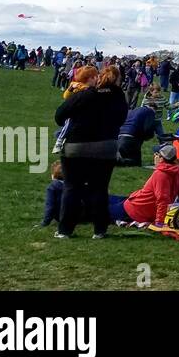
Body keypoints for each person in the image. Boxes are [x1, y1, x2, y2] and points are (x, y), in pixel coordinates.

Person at [54, 64, 128, 238]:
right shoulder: (118, 97)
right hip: (106, 147)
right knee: (100, 188)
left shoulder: (84, 95)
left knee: (72, 187)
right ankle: (100, 230)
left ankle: (65, 230)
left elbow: (59, 116)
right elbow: (122, 119)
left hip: (77, 146)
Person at [108, 144, 179, 226]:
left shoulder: (161, 174)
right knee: (103, 198)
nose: (154, 156)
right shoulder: (178, 171)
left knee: (98, 210)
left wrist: (159, 222)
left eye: (156, 154)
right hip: (137, 202)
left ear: (161, 158)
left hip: (136, 211)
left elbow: (163, 200)